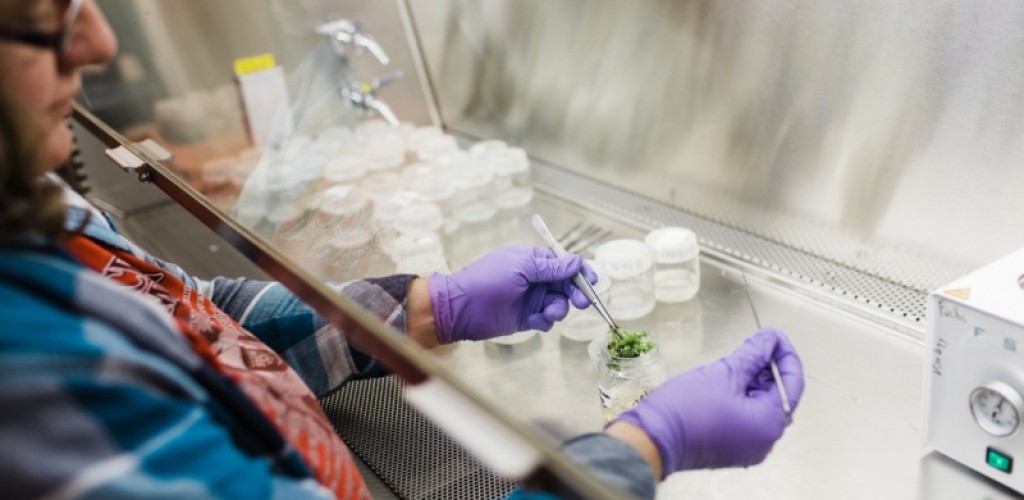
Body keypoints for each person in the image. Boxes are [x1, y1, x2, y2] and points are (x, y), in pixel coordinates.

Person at [0, 1, 805, 499]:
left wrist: (428, 304)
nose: (101, 40)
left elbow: (202, 319)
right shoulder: (32, 374)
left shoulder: (33, 203)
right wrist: (645, 445)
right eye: (48, 14)